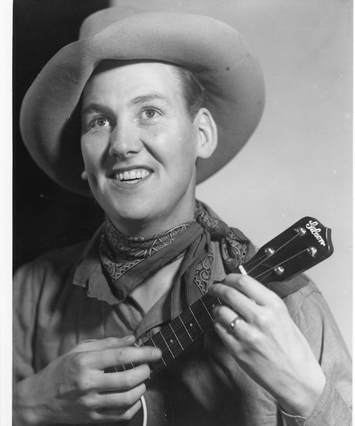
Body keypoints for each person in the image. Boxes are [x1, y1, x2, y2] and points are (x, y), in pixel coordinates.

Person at [13, 5, 351, 426]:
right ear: (84, 159)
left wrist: (306, 396)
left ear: (202, 135)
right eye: (98, 121)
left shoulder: (289, 305)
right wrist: (24, 405)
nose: (122, 144)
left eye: (149, 112)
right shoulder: (28, 294)